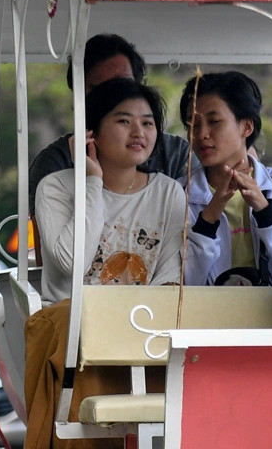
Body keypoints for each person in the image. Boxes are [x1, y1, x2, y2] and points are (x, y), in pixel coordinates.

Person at [36, 78, 187, 300]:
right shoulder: (55, 188)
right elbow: (72, 263)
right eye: (124, 121)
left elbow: (169, 278)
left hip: (141, 325)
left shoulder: (168, 192)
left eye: (147, 123)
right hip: (71, 329)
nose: (138, 132)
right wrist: (93, 182)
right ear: (91, 132)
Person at [26, 34, 191, 223]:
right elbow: (50, 247)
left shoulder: (177, 156)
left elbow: (192, 238)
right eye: (101, 91)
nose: (115, 98)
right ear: (78, 98)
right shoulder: (55, 164)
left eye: (124, 86)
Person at [179, 70, 272, 287]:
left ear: (247, 126)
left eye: (214, 121)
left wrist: (266, 212)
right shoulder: (178, 194)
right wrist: (209, 216)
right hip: (205, 318)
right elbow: (183, 284)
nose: (201, 135)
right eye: (193, 125)